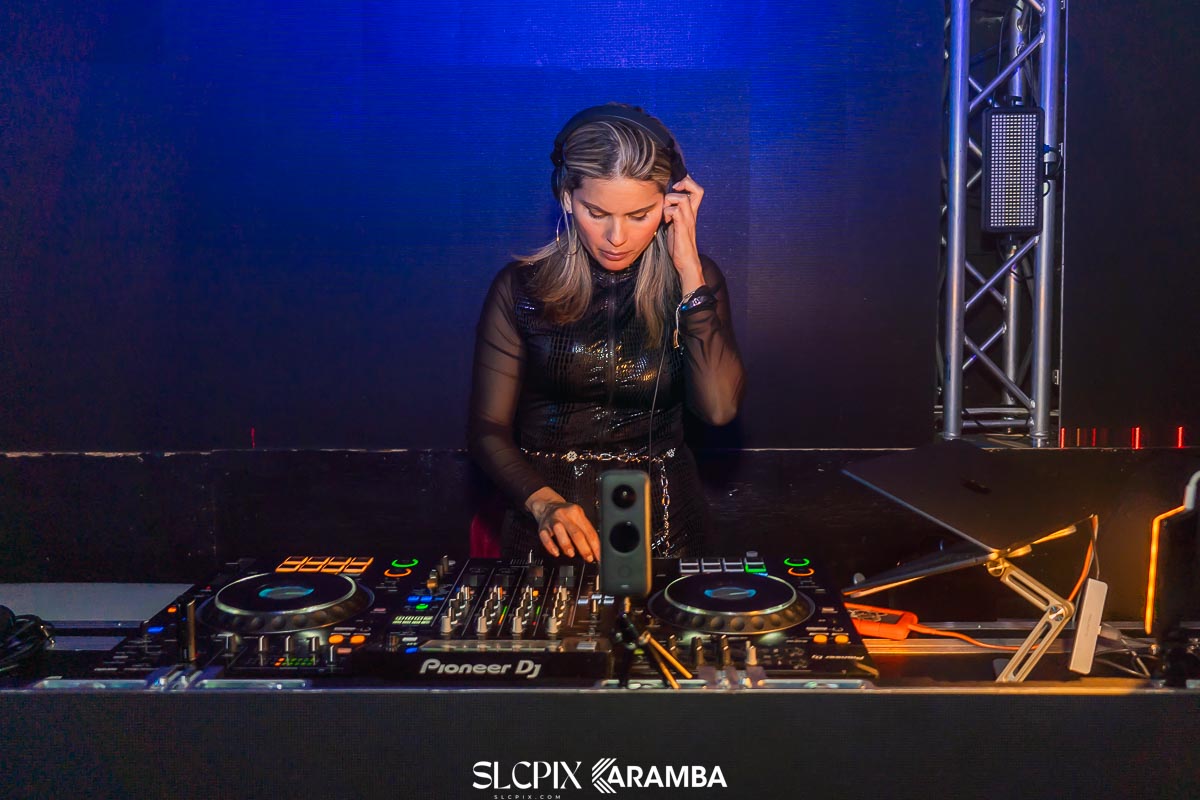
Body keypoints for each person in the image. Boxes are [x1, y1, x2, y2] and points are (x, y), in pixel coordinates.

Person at [468, 103, 745, 562]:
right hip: (549, 540)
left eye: (640, 215)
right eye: (596, 212)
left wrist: (689, 269)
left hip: (668, 539)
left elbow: (718, 409)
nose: (617, 237)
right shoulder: (519, 288)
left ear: (671, 204)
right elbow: (486, 429)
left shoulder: (697, 282)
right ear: (567, 197)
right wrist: (543, 504)